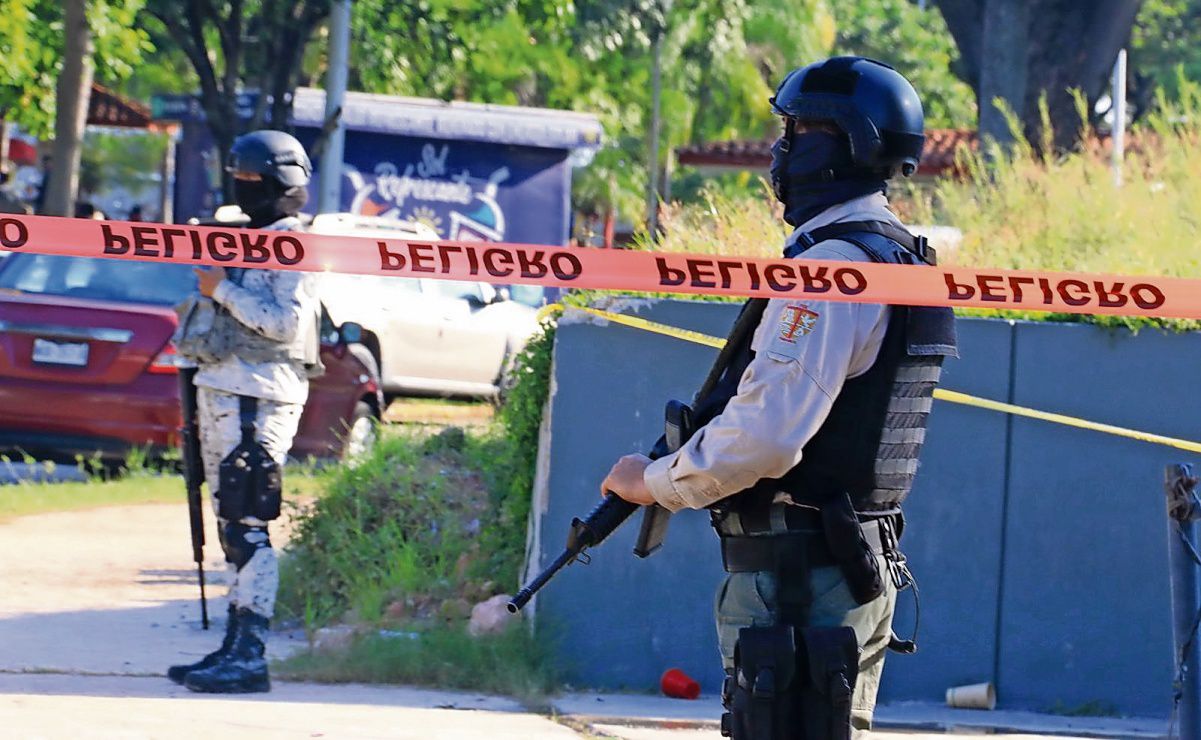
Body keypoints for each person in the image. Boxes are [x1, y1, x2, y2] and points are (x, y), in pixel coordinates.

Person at [601, 57, 957, 739]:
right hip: (845, 566)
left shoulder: (831, 271)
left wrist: (649, 483)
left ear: (845, 144)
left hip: (801, 581)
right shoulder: (898, 256)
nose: (779, 151)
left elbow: (766, 436)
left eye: (798, 131)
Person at [167, 129, 321, 694]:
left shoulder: (293, 245)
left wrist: (222, 290)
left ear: (283, 183)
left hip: (260, 391)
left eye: (253, 180)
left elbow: (285, 324)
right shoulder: (242, 236)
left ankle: (251, 655)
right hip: (223, 386)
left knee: (249, 523)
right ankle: (234, 645)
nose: (242, 189)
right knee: (232, 525)